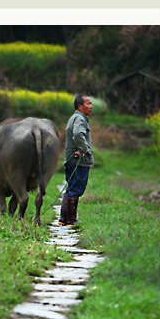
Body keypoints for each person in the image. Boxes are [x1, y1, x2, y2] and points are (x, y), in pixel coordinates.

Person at [59, 94, 94, 226]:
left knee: (71, 188)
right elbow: (78, 134)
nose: (91, 106)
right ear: (80, 106)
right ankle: (71, 220)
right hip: (78, 161)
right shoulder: (80, 119)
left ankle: (64, 219)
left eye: (91, 104)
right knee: (76, 189)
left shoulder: (74, 117)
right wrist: (85, 150)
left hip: (71, 159)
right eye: (88, 104)